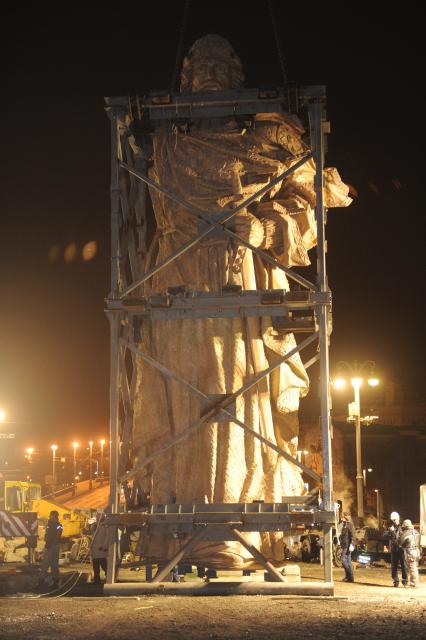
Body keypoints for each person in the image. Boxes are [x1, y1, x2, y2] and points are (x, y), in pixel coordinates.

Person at [132, 33, 351, 569]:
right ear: (184, 78)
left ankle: (236, 528)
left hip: (239, 274)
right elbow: (154, 218)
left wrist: (268, 227)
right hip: (178, 275)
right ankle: (178, 525)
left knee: (237, 392)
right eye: (197, 63)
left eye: (219, 63)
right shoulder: (167, 144)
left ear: (237, 76)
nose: (207, 70)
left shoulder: (270, 139)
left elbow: (320, 202)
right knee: (184, 399)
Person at [38, 510, 63, 588]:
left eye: (50, 515)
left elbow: (52, 536)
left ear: (53, 516)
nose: (49, 517)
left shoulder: (51, 524)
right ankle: (55, 582)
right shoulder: (58, 525)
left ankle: (40, 582)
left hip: (51, 546)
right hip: (55, 546)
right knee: (54, 565)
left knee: (45, 564)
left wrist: (47, 546)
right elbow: (56, 534)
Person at [383, 511, 408, 587]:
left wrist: (394, 532)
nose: (394, 521)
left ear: (398, 518)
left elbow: (404, 536)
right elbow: (384, 536)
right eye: (393, 520)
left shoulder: (403, 526)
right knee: (394, 566)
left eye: (395, 520)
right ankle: (395, 580)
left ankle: (405, 580)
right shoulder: (390, 526)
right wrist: (390, 532)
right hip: (394, 549)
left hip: (401, 549)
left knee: (404, 565)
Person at [400, 519, 420, 588]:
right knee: (415, 567)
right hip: (417, 551)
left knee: (412, 568)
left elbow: (400, 543)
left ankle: (414, 583)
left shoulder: (406, 533)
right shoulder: (416, 532)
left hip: (410, 552)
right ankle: (413, 582)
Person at [91, 510, 109, 584]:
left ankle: (109, 575)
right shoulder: (94, 525)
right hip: (95, 548)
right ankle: (96, 578)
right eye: (97, 515)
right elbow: (93, 536)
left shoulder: (106, 526)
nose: (97, 517)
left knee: (103, 563)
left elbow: (108, 537)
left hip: (101, 548)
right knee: (95, 564)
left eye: (99, 515)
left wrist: (104, 546)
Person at [339, 512, 355, 582]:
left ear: (345, 517)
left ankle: (349, 575)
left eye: (342, 517)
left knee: (342, 559)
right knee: (348, 561)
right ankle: (349, 578)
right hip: (345, 545)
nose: (341, 518)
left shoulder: (350, 525)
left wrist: (352, 544)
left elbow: (353, 535)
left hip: (347, 545)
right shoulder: (345, 525)